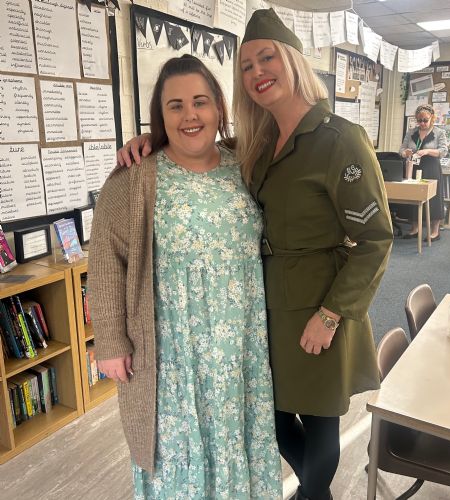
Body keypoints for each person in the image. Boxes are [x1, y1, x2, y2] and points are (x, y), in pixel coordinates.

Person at [118, 10, 393, 500]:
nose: (257, 72)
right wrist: (151, 140)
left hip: (319, 304)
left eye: (267, 58)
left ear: (293, 61)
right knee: (270, 418)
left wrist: (331, 314)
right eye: (246, 66)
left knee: (320, 425)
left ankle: (313, 496)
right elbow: (197, 143)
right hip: (264, 309)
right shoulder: (256, 143)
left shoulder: (340, 140)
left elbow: (376, 239)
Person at [87, 54, 282, 500]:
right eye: (175, 106)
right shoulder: (135, 177)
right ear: (161, 116)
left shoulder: (246, 163)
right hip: (174, 358)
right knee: (179, 458)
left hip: (241, 351)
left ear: (218, 108)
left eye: (200, 102)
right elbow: (105, 262)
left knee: (239, 441)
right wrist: (111, 343)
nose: (189, 115)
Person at [400, 104, 448, 241]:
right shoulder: (411, 132)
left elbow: (443, 151)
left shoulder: (439, 132)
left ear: (432, 118)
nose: (422, 123)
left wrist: (427, 151)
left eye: (425, 120)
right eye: (419, 120)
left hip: (431, 167)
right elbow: (401, 149)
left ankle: (435, 231)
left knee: (434, 199)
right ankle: (415, 228)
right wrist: (405, 153)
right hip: (413, 167)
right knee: (413, 197)